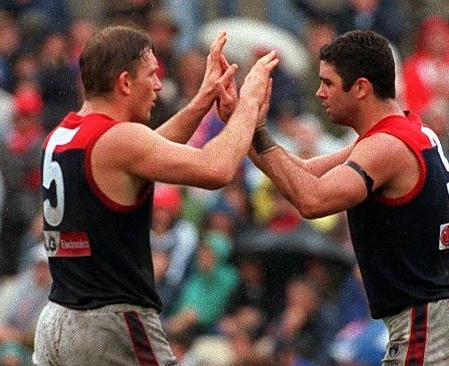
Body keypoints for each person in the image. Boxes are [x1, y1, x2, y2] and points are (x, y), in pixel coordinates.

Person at [249, 30, 449, 365]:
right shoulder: (404, 131)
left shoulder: (384, 147)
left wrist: (252, 127)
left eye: (327, 82)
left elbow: (311, 200)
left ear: (361, 88)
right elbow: (305, 172)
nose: (318, 92)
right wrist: (245, 127)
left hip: (431, 321)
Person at [33, 25, 278, 365]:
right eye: (152, 74)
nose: (159, 85)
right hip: (111, 323)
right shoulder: (121, 140)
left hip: (58, 320)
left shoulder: (64, 133)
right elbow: (216, 169)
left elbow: (147, 153)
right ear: (124, 82)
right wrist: (250, 103)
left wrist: (202, 101)